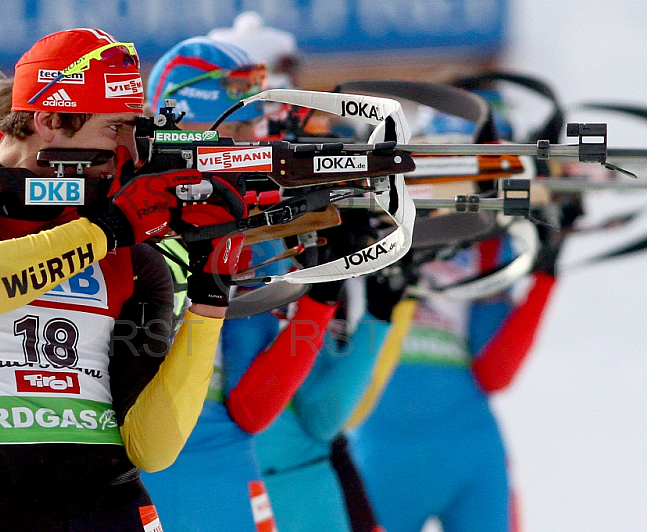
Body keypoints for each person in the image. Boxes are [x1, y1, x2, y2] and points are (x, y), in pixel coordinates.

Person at [0, 28, 245, 531]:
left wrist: (210, 299)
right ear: (47, 120)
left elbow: (152, 448)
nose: (130, 148)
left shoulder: (133, 257)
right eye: (116, 128)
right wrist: (110, 229)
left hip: (117, 512)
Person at [140, 36, 339, 532]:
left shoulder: (248, 210)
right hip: (134, 462)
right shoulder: (116, 196)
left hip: (219, 463)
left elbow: (252, 407)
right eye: (245, 123)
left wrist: (322, 292)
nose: (257, 138)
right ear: (189, 119)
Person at [348, 96, 571, 532]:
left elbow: (495, 372)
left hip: (468, 449)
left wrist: (546, 270)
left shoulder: (488, 244)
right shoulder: (367, 215)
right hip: (379, 445)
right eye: (443, 158)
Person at [251, 214, 412, 532]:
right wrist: (381, 316)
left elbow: (325, 417)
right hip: (303, 467)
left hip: (271, 467)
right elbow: (326, 418)